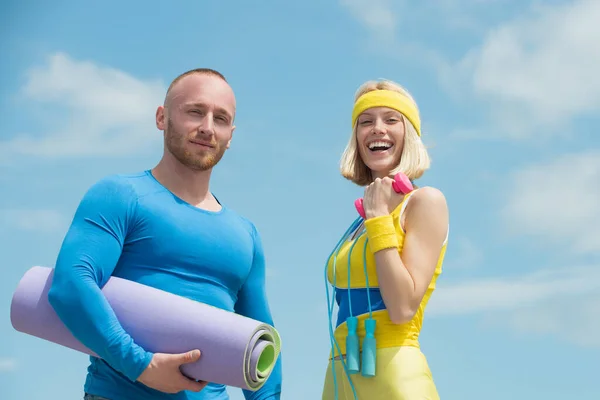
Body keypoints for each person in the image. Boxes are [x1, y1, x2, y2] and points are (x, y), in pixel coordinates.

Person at [47, 68, 282, 400]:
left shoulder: (246, 235)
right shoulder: (120, 195)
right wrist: (140, 366)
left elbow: (262, 344)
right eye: (195, 112)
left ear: (231, 134)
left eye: (221, 118)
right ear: (162, 117)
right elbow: (70, 283)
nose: (207, 127)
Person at [321, 79, 449, 399]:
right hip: (340, 376)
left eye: (391, 119)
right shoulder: (357, 224)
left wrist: (379, 219)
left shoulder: (425, 202)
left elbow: (402, 307)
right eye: (366, 121)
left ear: (409, 134)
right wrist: (374, 216)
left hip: (394, 376)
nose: (377, 129)